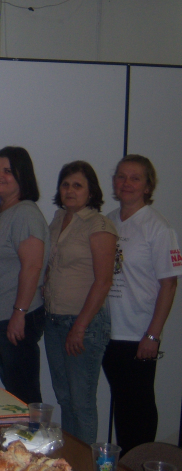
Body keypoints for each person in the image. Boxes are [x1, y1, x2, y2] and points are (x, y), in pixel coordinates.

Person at [102, 155, 181, 454]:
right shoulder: (107, 221)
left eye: (135, 178)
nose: (127, 183)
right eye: (121, 176)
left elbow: (169, 284)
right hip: (108, 332)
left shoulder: (158, 227)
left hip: (138, 336)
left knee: (139, 410)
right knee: (122, 409)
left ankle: (142, 461)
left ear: (148, 186)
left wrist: (153, 335)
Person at [44, 160, 117, 445]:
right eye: (65, 184)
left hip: (82, 325)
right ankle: (71, 459)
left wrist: (80, 328)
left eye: (77, 185)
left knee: (82, 402)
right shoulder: (57, 218)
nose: (70, 190)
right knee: (64, 398)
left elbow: (103, 281)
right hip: (54, 321)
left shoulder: (99, 224)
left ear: (91, 192)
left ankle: (87, 463)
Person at [0, 146, 49, 404]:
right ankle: (21, 441)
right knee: (12, 387)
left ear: (22, 175)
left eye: (8, 171)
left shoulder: (26, 213)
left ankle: (34, 442)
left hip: (18, 316)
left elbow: (32, 266)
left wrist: (19, 313)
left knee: (24, 391)